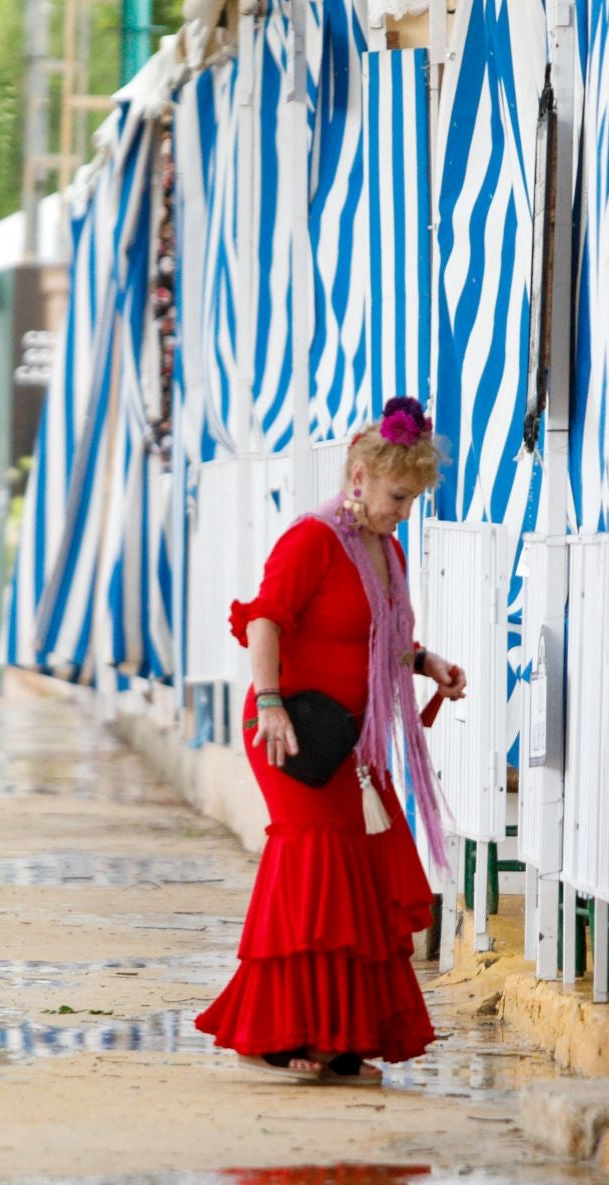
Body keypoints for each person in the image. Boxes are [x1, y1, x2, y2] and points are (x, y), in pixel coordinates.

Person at [195, 397, 468, 1085]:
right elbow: (265, 621)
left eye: (412, 500)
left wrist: (426, 662)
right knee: (316, 866)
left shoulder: (386, 549)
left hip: (348, 741)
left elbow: (380, 639)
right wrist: (270, 705)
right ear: (360, 474)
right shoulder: (312, 539)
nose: (403, 511)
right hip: (290, 733)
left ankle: (336, 1032)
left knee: (354, 874)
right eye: (398, 496)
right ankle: (279, 1030)